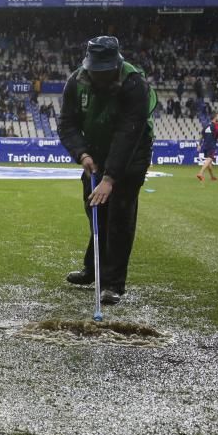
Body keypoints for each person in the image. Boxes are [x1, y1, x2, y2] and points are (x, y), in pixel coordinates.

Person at [58, 35, 157, 306]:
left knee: (120, 216)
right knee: (96, 213)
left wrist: (110, 178)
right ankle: (93, 270)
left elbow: (129, 132)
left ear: (116, 64)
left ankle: (113, 283)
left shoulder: (134, 83)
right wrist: (83, 154)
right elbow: (66, 124)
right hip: (96, 150)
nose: (100, 76)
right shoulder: (76, 82)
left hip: (133, 153)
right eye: (95, 70)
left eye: (106, 70)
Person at [197, 113, 218, 183]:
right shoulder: (215, 126)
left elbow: (201, 136)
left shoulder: (206, 126)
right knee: (209, 159)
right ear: (215, 117)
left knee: (209, 162)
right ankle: (200, 173)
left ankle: (212, 177)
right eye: (217, 117)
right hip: (211, 145)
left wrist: (199, 144)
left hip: (205, 145)